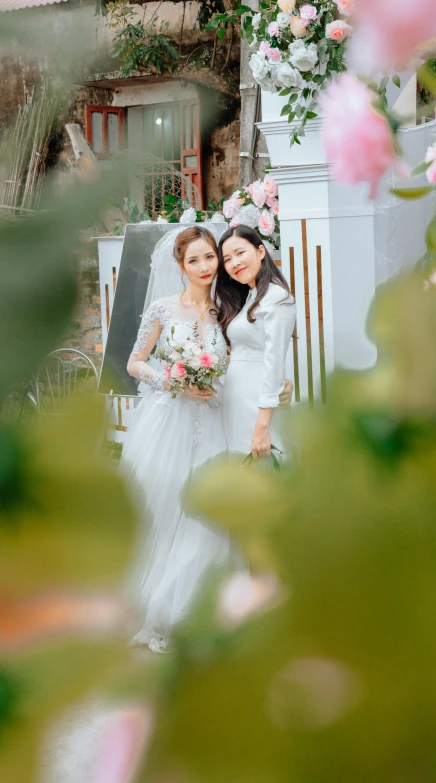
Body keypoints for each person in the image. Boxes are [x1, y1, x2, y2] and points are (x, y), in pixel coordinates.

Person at [123, 225, 232, 653]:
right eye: (195, 260)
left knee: (205, 514)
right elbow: (135, 362)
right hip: (170, 420)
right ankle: (154, 607)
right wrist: (172, 379)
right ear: (181, 266)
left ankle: (195, 607)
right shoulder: (163, 309)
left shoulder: (228, 309)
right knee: (166, 505)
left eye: (210, 257)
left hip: (215, 419)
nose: (205, 267)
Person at [216, 225, 296, 459]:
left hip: (259, 402)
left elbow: (274, 360)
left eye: (240, 253)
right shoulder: (248, 297)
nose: (234, 263)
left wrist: (262, 426)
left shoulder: (278, 298)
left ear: (261, 252)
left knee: (265, 468)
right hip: (237, 398)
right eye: (227, 259)